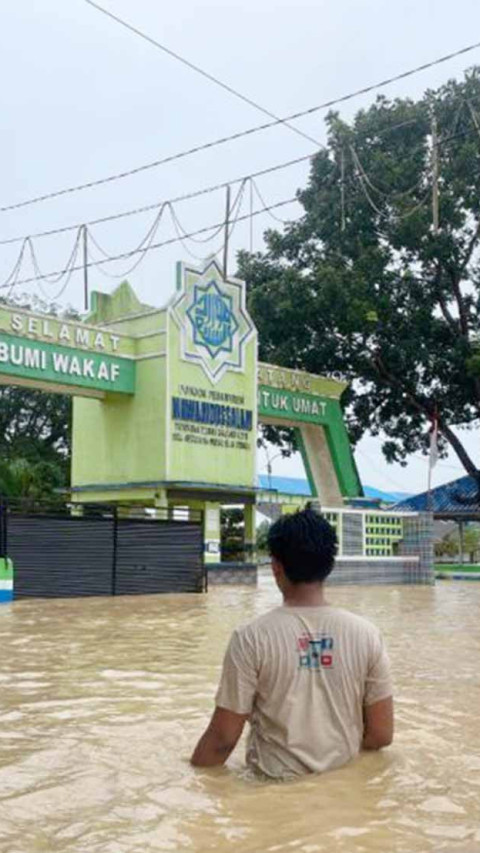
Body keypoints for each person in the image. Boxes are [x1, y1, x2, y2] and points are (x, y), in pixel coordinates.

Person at [191, 508, 393, 778]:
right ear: (330, 565)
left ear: (276, 567)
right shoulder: (367, 634)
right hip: (345, 799)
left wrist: (188, 779)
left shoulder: (251, 638)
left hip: (272, 794)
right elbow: (381, 735)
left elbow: (222, 741)